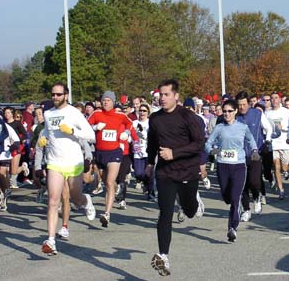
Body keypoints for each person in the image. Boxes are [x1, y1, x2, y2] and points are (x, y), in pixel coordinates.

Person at [146, 79, 205, 277]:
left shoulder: (188, 117)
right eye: (160, 95)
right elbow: (153, 143)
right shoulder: (155, 119)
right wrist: (150, 163)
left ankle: (195, 202)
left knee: (189, 212)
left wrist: (175, 153)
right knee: (165, 213)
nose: (162, 98)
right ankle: (163, 256)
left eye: (166, 95)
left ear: (176, 96)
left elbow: (199, 144)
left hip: (187, 171)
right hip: (165, 173)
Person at [38, 82, 96, 255]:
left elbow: (91, 136)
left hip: (74, 162)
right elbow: (47, 133)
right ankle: (51, 240)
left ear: (66, 95)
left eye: (58, 94)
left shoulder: (74, 113)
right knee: (53, 201)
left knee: (75, 198)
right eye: (53, 94)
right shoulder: (48, 114)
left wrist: (72, 131)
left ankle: (86, 201)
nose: (55, 97)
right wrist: (43, 140)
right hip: (55, 162)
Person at [206, 99, 258, 240]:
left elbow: (251, 140)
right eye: (224, 111)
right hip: (223, 165)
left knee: (235, 198)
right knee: (227, 197)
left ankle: (232, 228)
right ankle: (234, 206)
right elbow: (208, 143)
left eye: (230, 111)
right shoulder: (219, 128)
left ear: (235, 111)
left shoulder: (242, 127)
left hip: (239, 166)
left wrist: (254, 150)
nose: (227, 114)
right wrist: (212, 151)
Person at [88, 90, 135, 227]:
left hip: (115, 152)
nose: (105, 102)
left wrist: (126, 132)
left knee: (109, 182)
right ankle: (117, 188)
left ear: (113, 102)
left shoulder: (119, 115)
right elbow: (85, 126)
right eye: (103, 100)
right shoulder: (96, 114)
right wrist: (95, 127)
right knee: (106, 182)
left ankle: (107, 213)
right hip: (100, 153)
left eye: (108, 100)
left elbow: (130, 123)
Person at [235, 91, 272, 222]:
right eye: (239, 105)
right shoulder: (234, 116)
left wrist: (267, 140)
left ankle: (256, 197)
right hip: (239, 155)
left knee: (254, 181)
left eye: (244, 104)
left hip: (255, 154)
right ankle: (246, 210)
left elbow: (269, 128)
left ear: (249, 103)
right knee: (242, 184)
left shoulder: (257, 114)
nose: (242, 107)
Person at [265, 91, 289, 199]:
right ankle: (281, 190)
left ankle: (286, 171)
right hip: (274, 142)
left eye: (276, 98)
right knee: (276, 165)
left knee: (284, 167)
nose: (274, 100)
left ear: (280, 99)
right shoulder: (267, 113)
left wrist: (284, 128)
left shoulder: (286, 111)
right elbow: (265, 127)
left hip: (284, 142)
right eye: (272, 98)